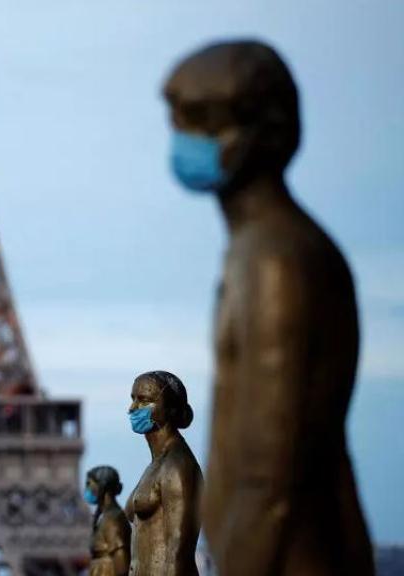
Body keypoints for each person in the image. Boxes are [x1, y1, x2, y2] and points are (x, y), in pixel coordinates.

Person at [164, 40, 374, 575]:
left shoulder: (275, 262)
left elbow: (267, 474)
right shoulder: (260, 252)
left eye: (198, 121)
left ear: (256, 134)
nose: (180, 138)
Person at [125, 371, 202, 576]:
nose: (132, 408)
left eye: (144, 400)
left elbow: (179, 552)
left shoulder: (177, 465)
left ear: (169, 409)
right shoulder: (156, 464)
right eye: (133, 399)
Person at [85, 465, 131, 576]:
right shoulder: (104, 517)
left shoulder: (112, 519)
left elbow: (121, 563)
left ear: (102, 486)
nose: (86, 489)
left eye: (89, 484)